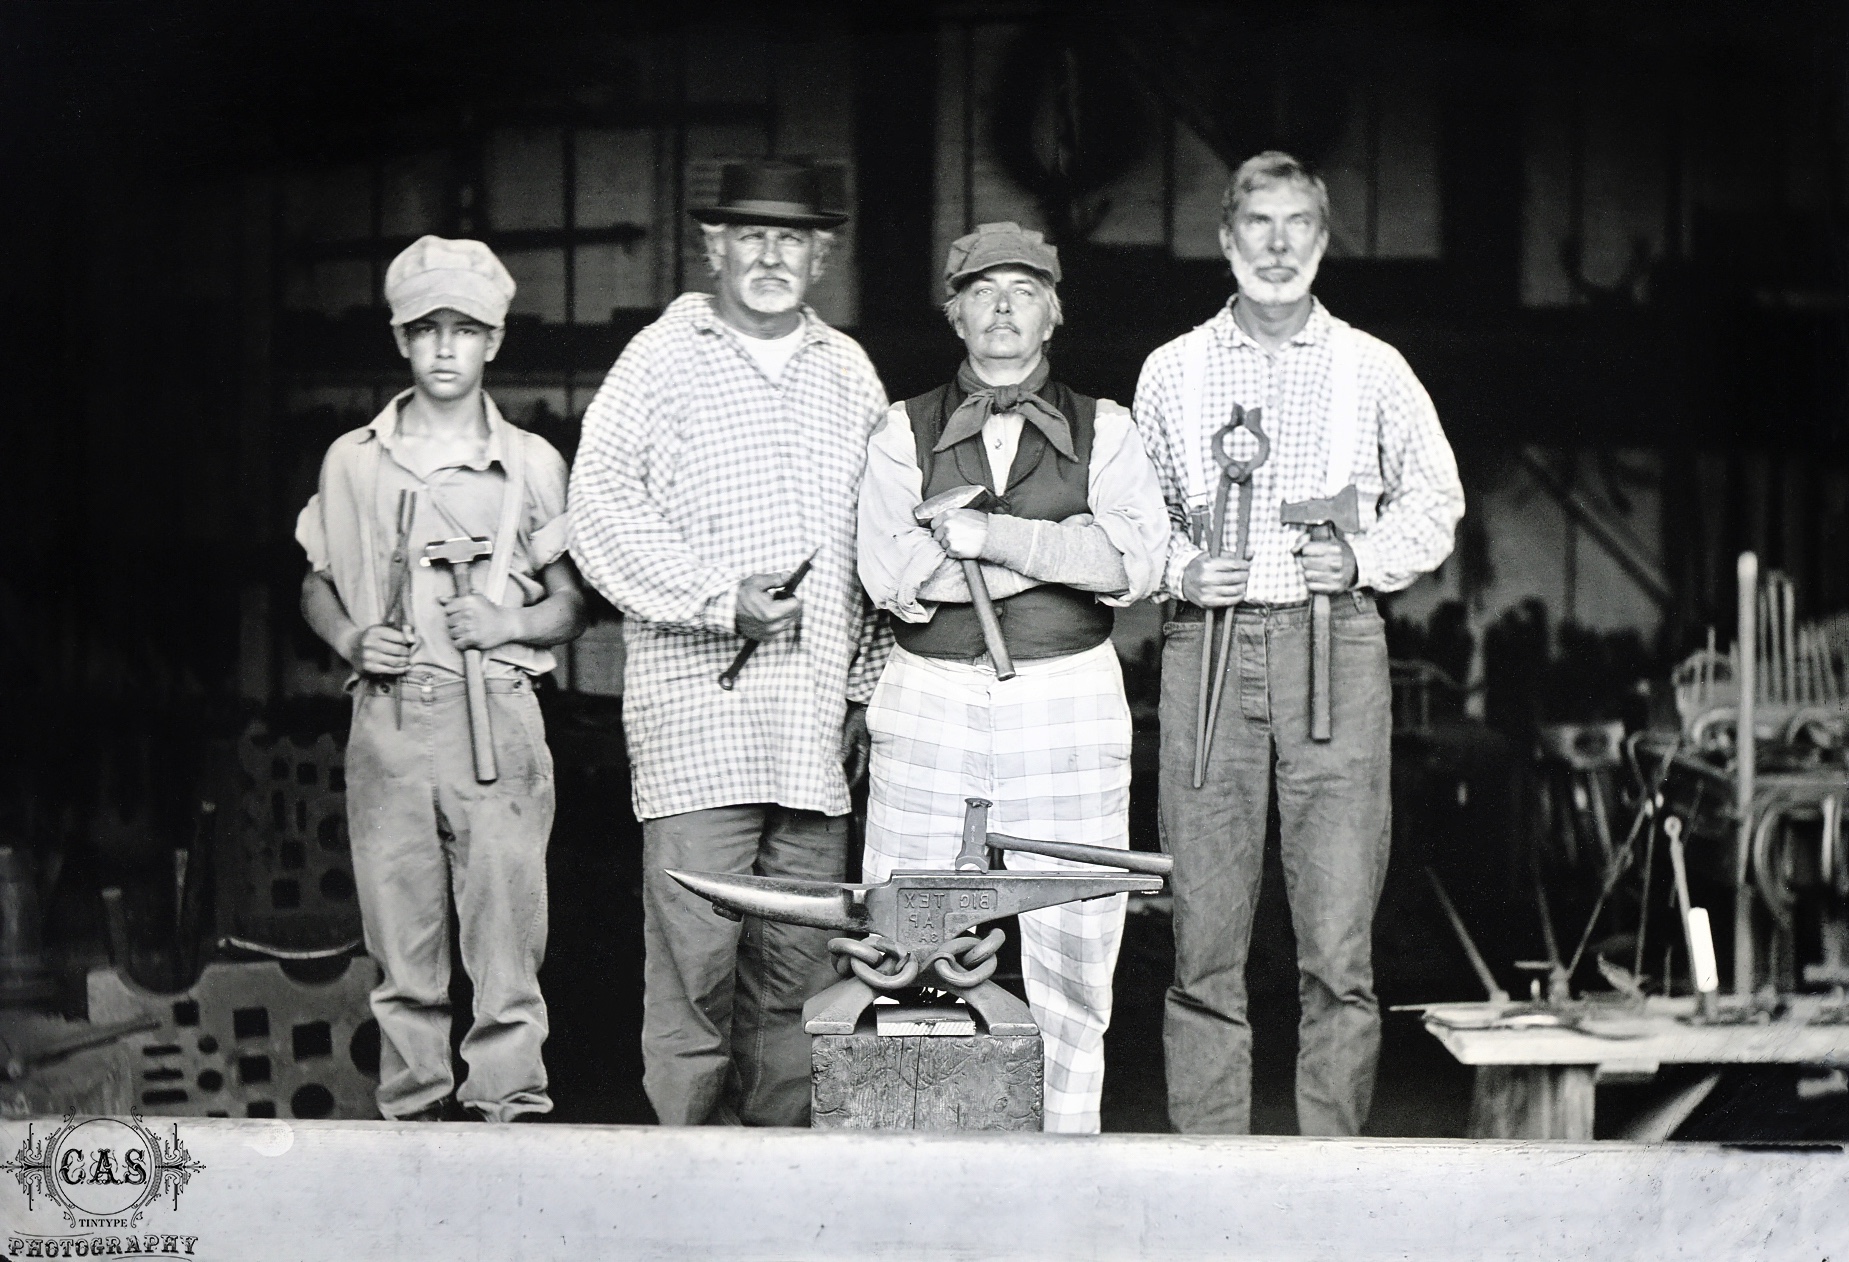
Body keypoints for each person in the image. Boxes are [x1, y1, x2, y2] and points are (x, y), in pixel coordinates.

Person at [1134, 152, 1465, 1136]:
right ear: (1226, 240)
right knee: (1202, 935)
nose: (1277, 247)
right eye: (1258, 227)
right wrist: (1180, 570)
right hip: (1205, 646)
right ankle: (1211, 1171)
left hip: (1337, 648)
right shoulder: (1172, 371)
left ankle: (1329, 1171)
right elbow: (1130, 519)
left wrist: (1360, 557)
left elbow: (1438, 503)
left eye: (1297, 228)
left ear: (1322, 242)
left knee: (1337, 940)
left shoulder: (1374, 368)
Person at [569, 159, 890, 1127]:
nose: (768, 256)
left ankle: (779, 1203)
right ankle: (683, 1203)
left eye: (790, 238)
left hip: (810, 738)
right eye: (748, 236)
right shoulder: (658, 361)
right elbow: (598, 512)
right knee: (695, 980)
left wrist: (866, 686)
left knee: (796, 989)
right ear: (712, 246)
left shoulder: (850, 372)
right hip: (698, 730)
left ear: (820, 255)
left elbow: (882, 535)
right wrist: (718, 597)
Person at [858, 222, 1169, 1133]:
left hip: (1067, 694)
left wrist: (991, 539)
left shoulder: (1105, 426)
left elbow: (1131, 564)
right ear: (954, 313)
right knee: (907, 929)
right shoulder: (896, 428)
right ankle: (914, 1155)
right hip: (928, 696)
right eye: (982, 290)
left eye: (1023, 290)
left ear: (1053, 311)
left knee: (1074, 937)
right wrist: (1061, 552)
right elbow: (891, 576)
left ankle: (1063, 1158)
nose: (1002, 307)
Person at [297, 235, 587, 1123]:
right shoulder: (351, 459)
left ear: (495, 342)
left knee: (504, 942)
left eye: (467, 329)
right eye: (428, 330)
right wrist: (352, 639)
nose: (447, 348)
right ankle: (414, 1116)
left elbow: (571, 605)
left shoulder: (532, 463)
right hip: (388, 721)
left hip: (495, 719)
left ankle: (509, 1112)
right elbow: (312, 580)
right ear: (400, 340)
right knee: (401, 941)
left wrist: (509, 622)